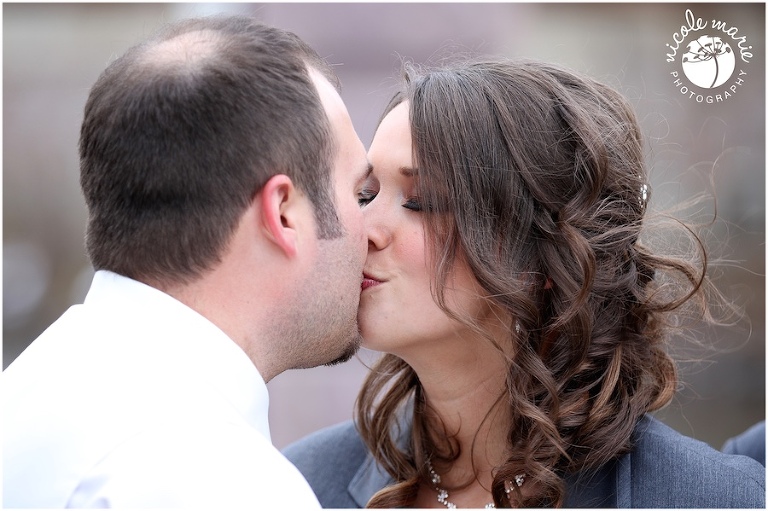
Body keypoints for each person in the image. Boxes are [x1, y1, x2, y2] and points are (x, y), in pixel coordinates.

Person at [283, 57, 765, 507]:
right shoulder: (296, 485)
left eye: (422, 199)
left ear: (545, 255)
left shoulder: (711, 496)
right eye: (365, 194)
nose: (363, 230)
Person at [3, 14, 371, 508]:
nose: (375, 230)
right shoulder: (222, 479)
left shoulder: (28, 395)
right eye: (360, 192)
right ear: (283, 212)